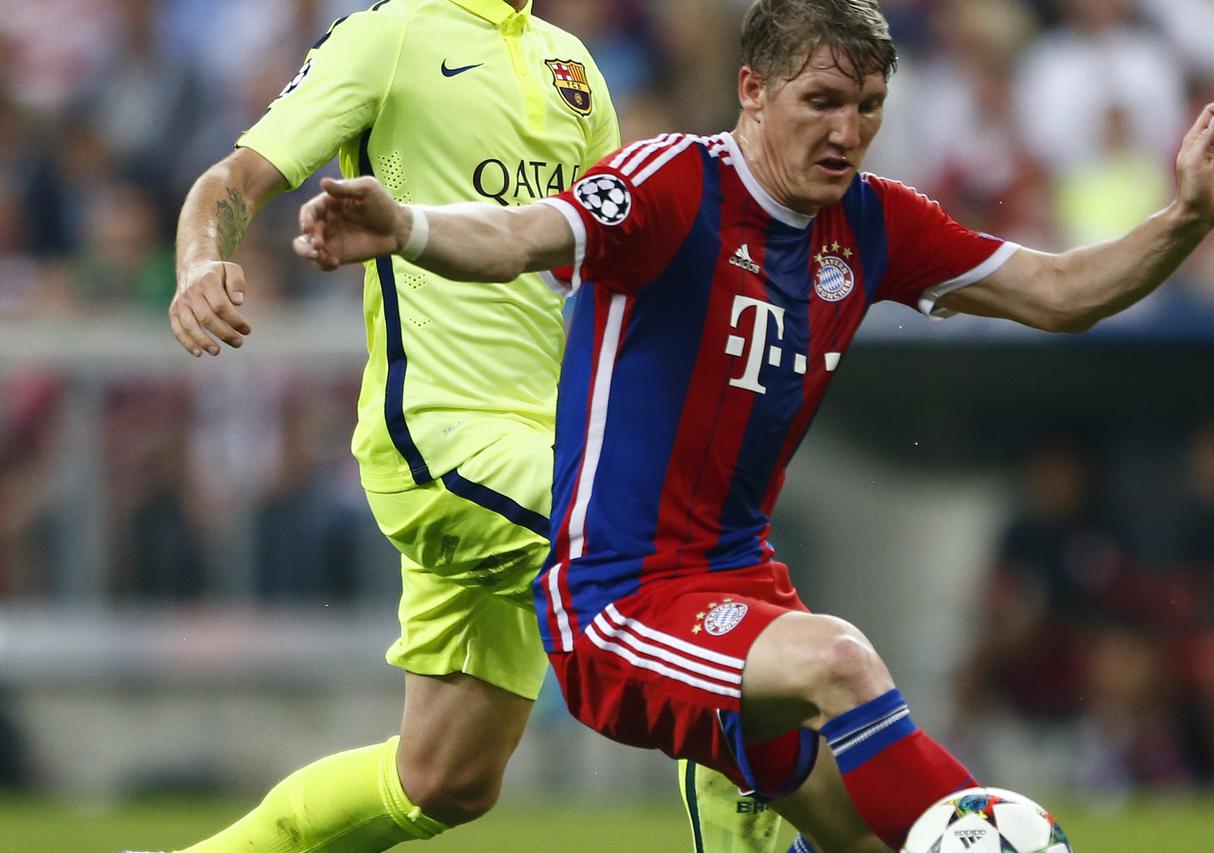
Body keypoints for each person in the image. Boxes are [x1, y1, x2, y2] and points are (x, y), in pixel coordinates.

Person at [291, 0, 1214, 848]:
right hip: (619, 599)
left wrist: (1183, 217)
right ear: (752, 90)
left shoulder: (873, 224)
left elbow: (1056, 293)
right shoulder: (668, 184)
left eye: (868, 108)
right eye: (822, 103)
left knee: (858, 835)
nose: (847, 132)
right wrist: (408, 226)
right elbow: (518, 235)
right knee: (836, 658)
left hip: (740, 588)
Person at [162, 0, 774, 851]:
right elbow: (232, 181)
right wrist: (201, 263)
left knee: (444, 779)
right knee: (704, 600)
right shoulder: (390, 34)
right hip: (445, 440)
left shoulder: (574, 65)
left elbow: (611, 249)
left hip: (552, 449)